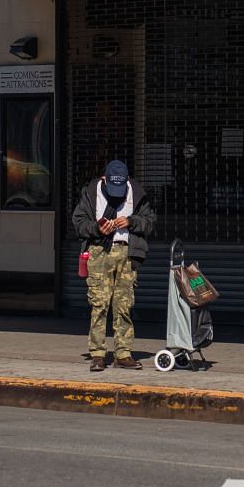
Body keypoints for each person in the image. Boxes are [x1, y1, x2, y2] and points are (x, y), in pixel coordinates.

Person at [71, 158, 156, 371]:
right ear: (104, 178)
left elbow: (150, 221)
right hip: (100, 251)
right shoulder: (91, 193)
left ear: (127, 180)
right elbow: (78, 223)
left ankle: (123, 353)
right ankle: (98, 353)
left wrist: (131, 221)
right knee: (99, 304)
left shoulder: (137, 193)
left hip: (126, 251)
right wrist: (97, 229)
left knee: (124, 304)